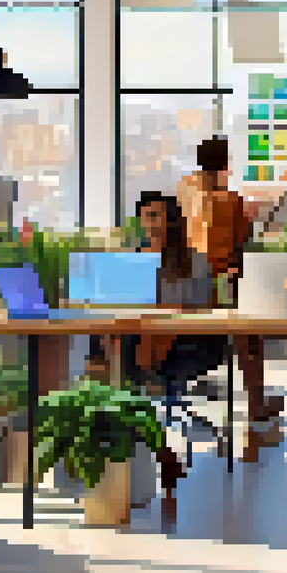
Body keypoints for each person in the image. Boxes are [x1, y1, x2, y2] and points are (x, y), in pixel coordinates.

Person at [113, 192, 218, 499]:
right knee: (118, 349)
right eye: (147, 216)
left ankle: (158, 452)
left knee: (124, 367)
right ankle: (158, 452)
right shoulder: (135, 260)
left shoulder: (195, 260)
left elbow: (204, 312)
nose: (151, 223)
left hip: (190, 343)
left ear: (173, 221)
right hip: (145, 341)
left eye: (157, 216)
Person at [178, 137, 282, 423]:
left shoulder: (185, 193)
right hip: (221, 286)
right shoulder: (231, 200)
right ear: (224, 163)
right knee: (250, 340)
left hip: (187, 287)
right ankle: (256, 406)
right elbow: (241, 242)